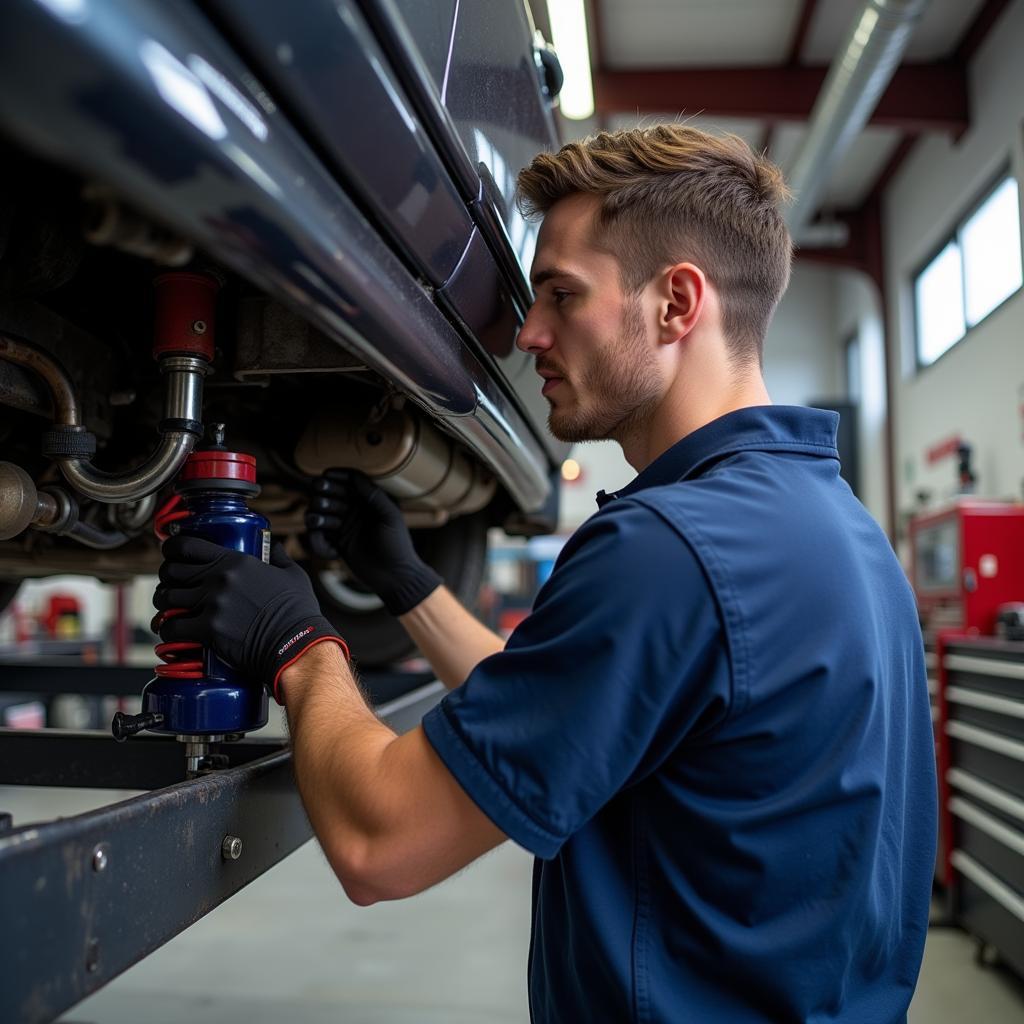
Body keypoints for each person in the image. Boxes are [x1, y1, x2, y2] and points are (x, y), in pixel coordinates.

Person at [155, 125, 936, 1023]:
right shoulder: (837, 529)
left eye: (564, 295)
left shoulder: (670, 550)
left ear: (678, 304)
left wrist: (297, 645)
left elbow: (381, 843)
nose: (529, 334)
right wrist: (405, 583)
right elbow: (576, 714)